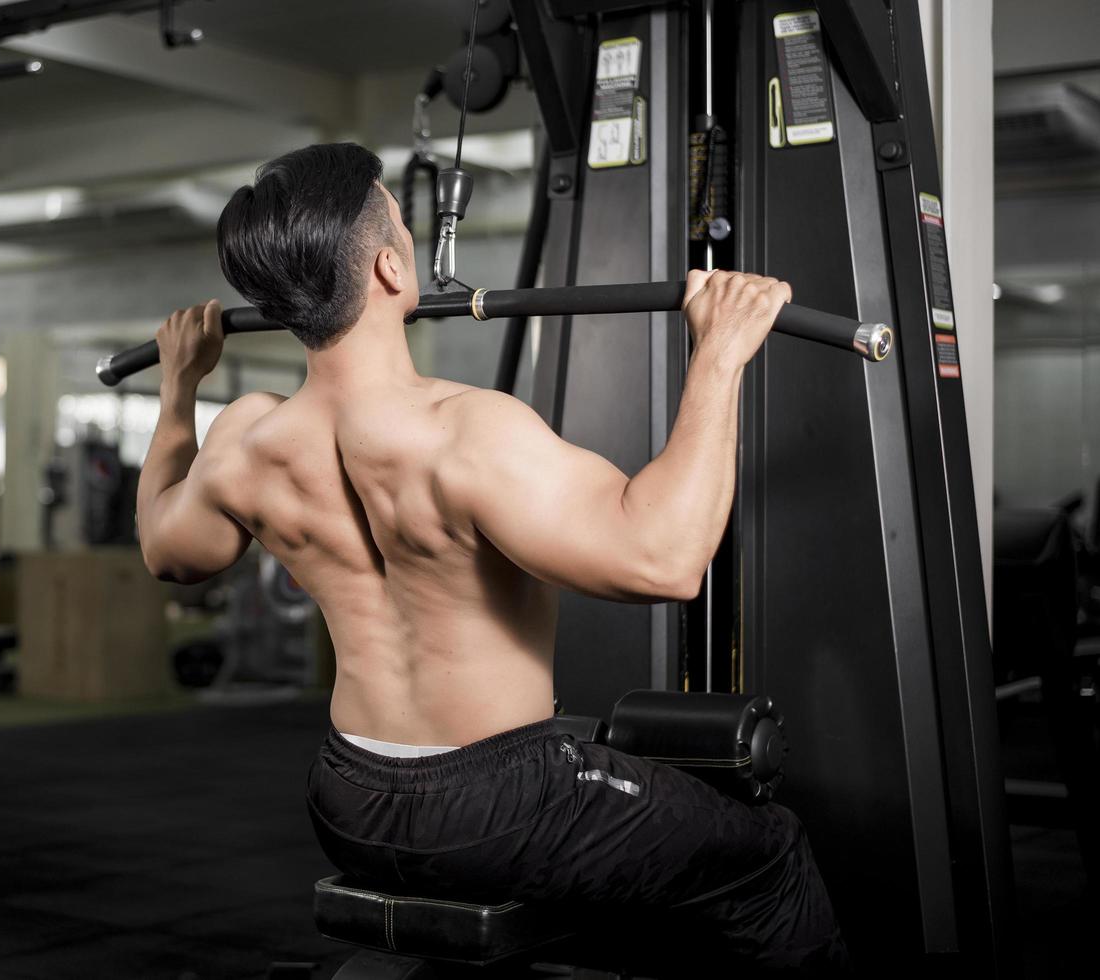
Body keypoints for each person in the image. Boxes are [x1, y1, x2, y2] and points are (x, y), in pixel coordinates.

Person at [135, 142, 849, 974]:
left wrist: (178, 389)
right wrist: (720, 353)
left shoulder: (244, 441)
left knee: (647, 830)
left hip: (348, 794)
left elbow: (165, 549)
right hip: (499, 801)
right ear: (393, 269)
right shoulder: (467, 432)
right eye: (400, 223)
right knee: (767, 853)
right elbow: (665, 562)